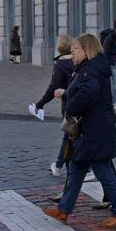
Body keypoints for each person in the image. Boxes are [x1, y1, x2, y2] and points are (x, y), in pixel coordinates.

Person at [42, 34, 116, 228]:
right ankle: (64, 209)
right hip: (88, 131)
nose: (72, 54)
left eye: (76, 50)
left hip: (94, 132)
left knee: (104, 173)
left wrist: (70, 105)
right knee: (75, 169)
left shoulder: (91, 71)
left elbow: (87, 94)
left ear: (86, 50)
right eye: (71, 50)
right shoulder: (87, 68)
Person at [34, 35, 77, 177]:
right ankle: (58, 164)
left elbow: (53, 87)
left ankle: (85, 169)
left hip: (69, 105)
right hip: (80, 102)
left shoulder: (61, 64)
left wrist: (40, 104)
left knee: (71, 135)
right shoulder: (77, 61)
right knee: (69, 135)